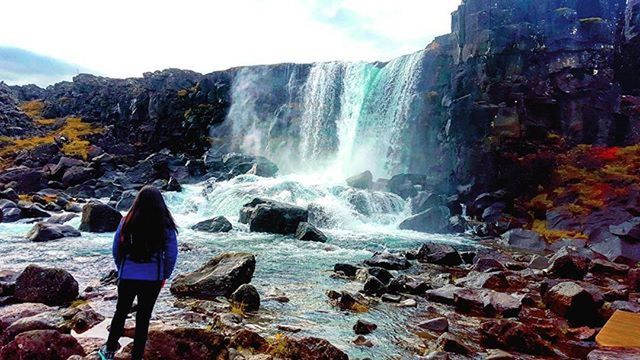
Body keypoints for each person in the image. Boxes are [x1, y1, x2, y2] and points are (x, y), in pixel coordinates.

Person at [98, 186, 178, 360]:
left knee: (120, 312)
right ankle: (137, 356)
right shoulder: (165, 225)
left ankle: (109, 350)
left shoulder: (127, 220)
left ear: (138, 201)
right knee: (143, 317)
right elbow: (171, 254)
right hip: (153, 279)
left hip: (128, 276)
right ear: (160, 204)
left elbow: (116, 249)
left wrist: (122, 269)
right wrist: (165, 275)